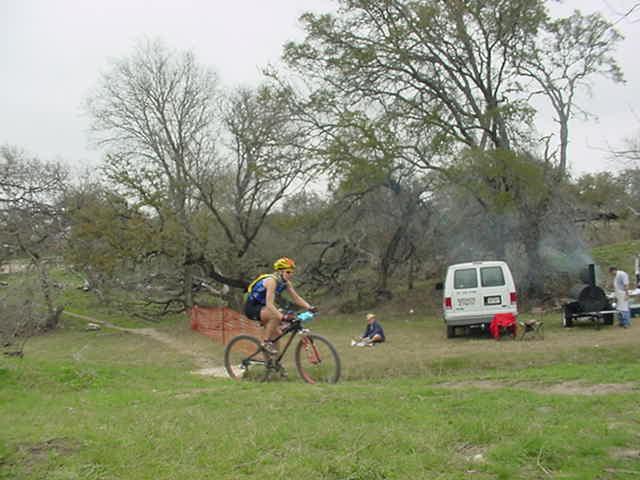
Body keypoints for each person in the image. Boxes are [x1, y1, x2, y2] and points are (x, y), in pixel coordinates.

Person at [244, 257, 314, 354]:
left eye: (292, 272)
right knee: (275, 315)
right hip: (252, 308)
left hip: (264, 308)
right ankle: (265, 342)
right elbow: (269, 304)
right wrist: (282, 317)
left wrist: (310, 307)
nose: (291, 275)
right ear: (280, 272)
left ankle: (272, 364)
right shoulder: (271, 281)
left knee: (277, 335)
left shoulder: (285, 282)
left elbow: (296, 298)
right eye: (288, 272)